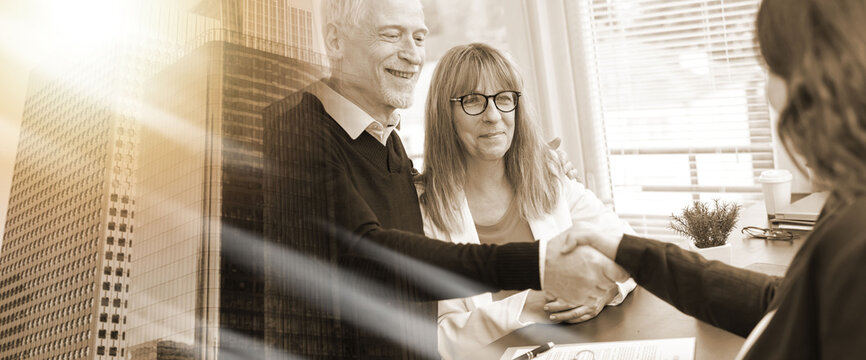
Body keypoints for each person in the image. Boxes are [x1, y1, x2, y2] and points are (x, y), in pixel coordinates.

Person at [261, 0, 627, 358]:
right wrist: (539, 274)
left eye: (419, 38)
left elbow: (626, 249)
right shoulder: (299, 128)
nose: (411, 54)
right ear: (336, 42)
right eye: (391, 34)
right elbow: (368, 254)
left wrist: (598, 288)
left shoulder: (386, 143)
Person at [559, 0, 866, 358]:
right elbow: (778, 302)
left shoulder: (856, 236)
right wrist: (629, 251)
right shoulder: (848, 200)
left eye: (772, 67)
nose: (770, 94)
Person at [416, 43, 636, 359]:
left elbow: (630, 247)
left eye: (504, 99)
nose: (493, 116)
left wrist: (605, 291)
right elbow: (436, 338)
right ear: (444, 114)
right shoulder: (423, 211)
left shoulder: (549, 178)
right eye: (472, 101)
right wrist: (526, 306)